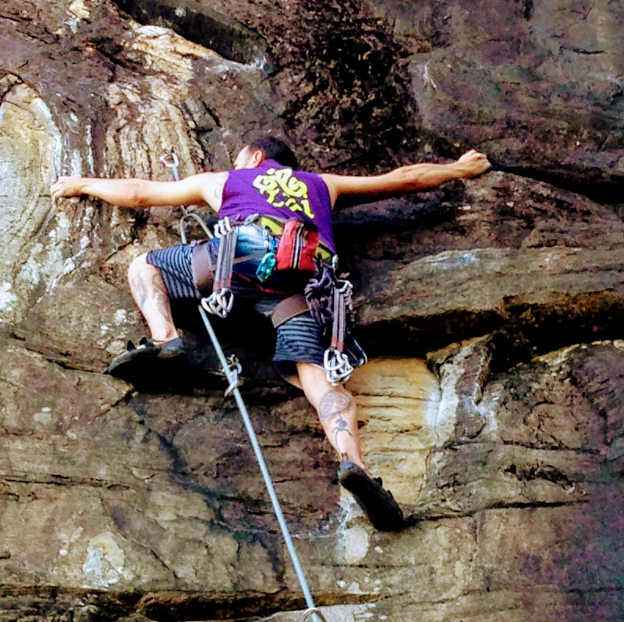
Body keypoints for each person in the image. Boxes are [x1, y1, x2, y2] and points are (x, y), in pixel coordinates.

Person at [51, 136, 490, 529]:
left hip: (236, 261)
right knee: (321, 384)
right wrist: (459, 168)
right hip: (305, 282)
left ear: (256, 157)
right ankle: (353, 463)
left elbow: (140, 194)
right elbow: (403, 180)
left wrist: (82, 184)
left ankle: (166, 340)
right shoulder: (324, 185)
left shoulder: (226, 180)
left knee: (144, 266)